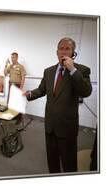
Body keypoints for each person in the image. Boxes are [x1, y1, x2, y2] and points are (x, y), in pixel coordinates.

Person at [24, 37, 92, 173]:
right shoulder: (48, 71)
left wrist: (72, 70)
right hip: (50, 125)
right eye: (61, 48)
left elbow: (86, 91)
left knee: (69, 164)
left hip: (67, 127)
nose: (64, 51)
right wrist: (29, 94)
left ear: (73, 53)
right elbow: (41, 90)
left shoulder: (82, 70)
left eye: (67, 49)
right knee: (52, 161)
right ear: (57, 52)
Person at [4, 52, 26, 124]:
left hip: (17, 86)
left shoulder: (21, 66)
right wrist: (6, 64)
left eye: (14, 57)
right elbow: (5, 73)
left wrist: (21, 88)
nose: (12, 59)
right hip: (11, 85)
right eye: (11, 57)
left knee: (17, 102)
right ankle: (12, 116)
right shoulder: (9, 66)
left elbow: (23, 78)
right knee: (10, 102)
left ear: (17, 58)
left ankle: (19, 119)